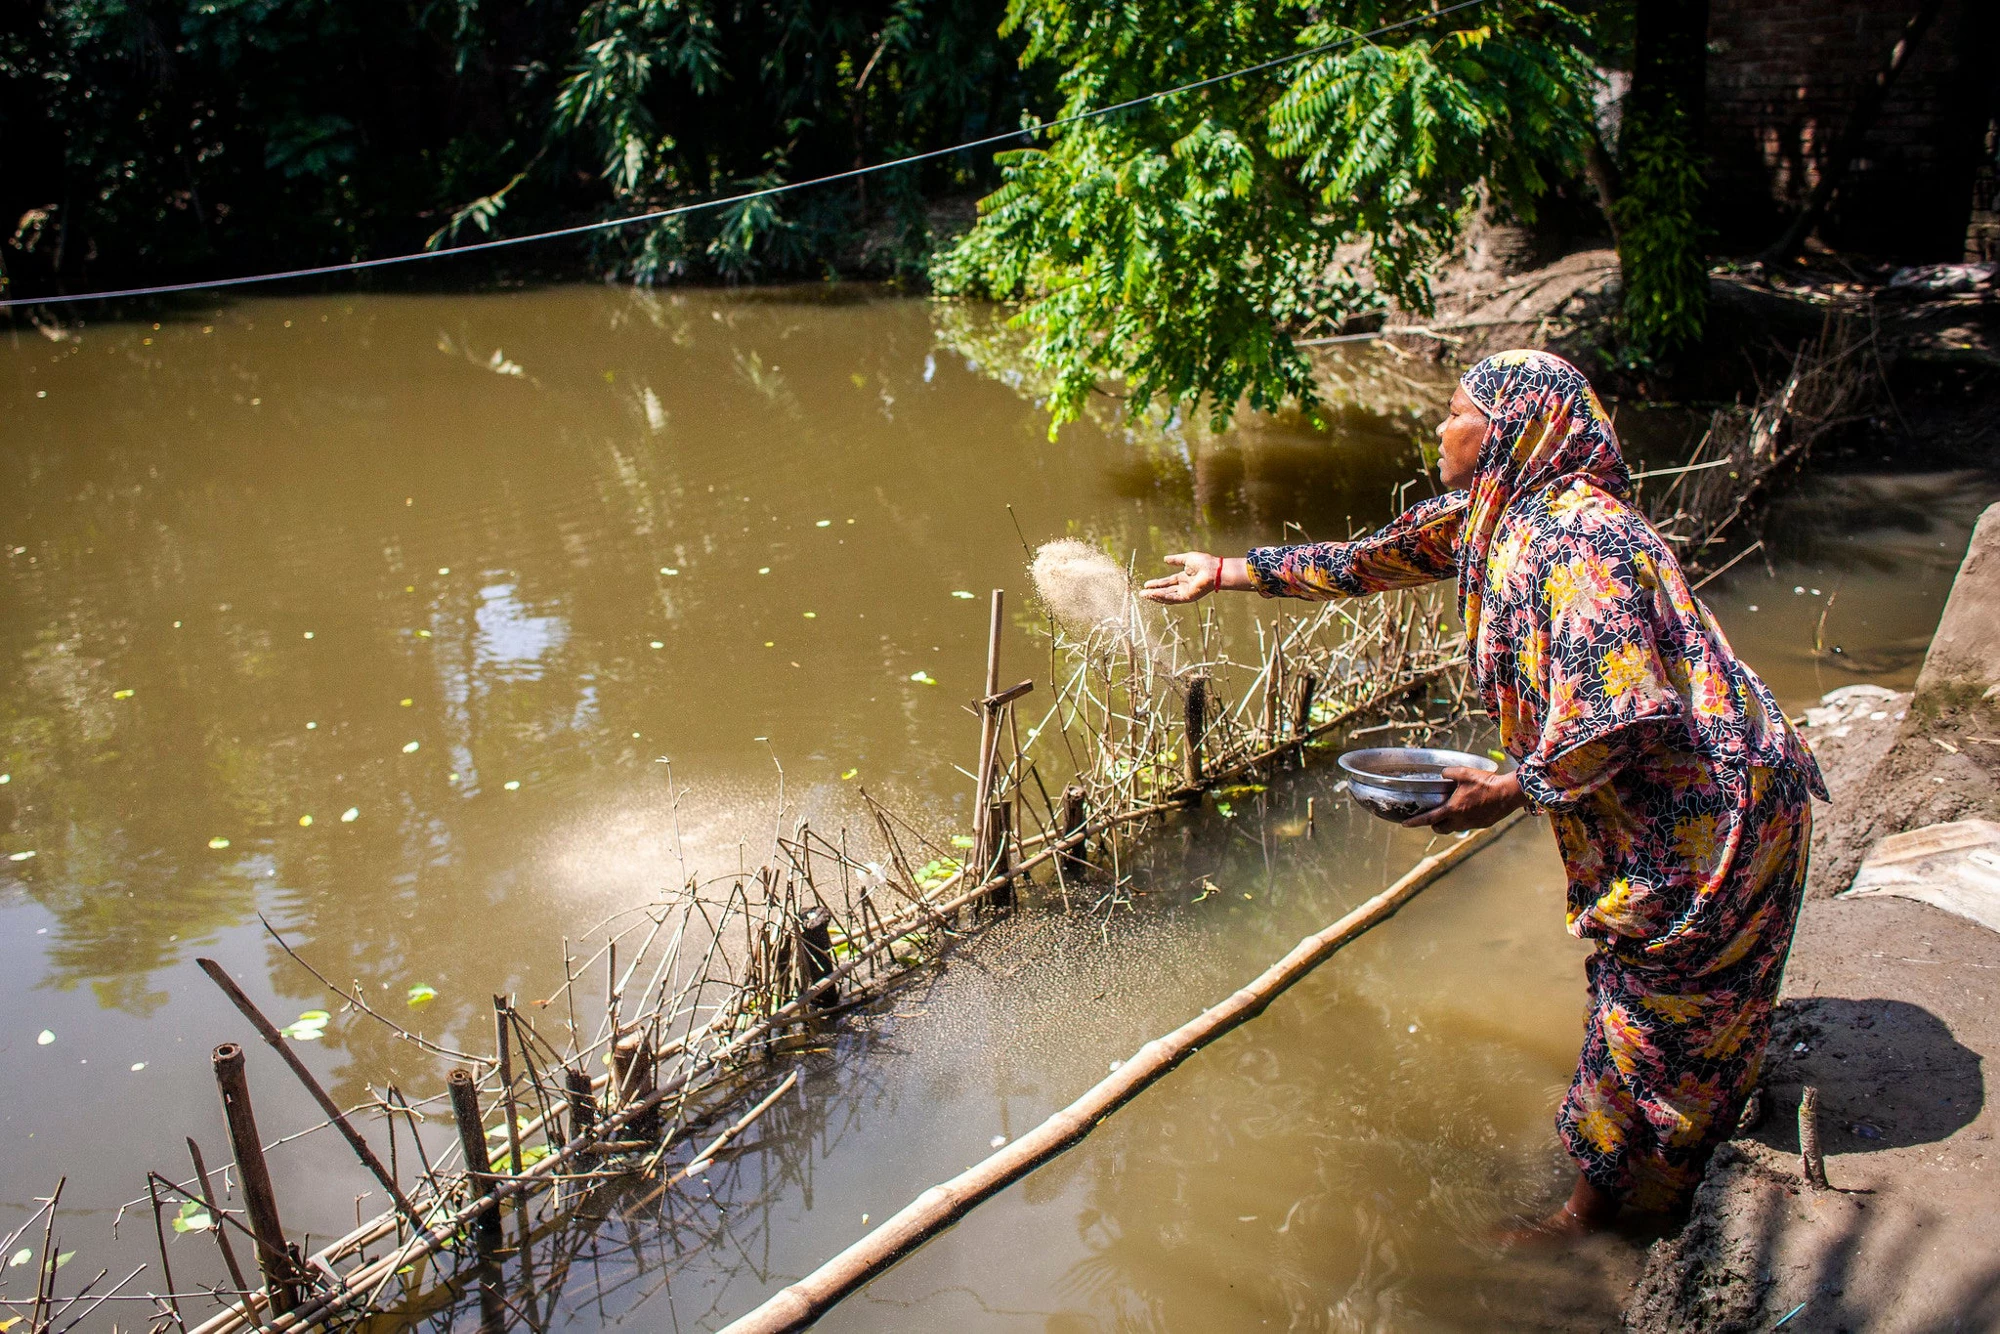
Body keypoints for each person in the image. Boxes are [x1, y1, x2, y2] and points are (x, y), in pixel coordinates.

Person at [1138, 349, 1826, 1234]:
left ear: (1509, 429)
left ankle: (1597, 1225)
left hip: (1714, 819)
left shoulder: (1580, 543)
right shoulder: (1499, 515)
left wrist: (1501, 792)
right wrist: (1231, 572)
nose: (1438, 425)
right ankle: (1655, 1178)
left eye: (1456, 409)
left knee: (1656, 1024)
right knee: (1669, 1010)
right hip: (1669, 806)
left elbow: (1622, 714)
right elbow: (1371, 559)